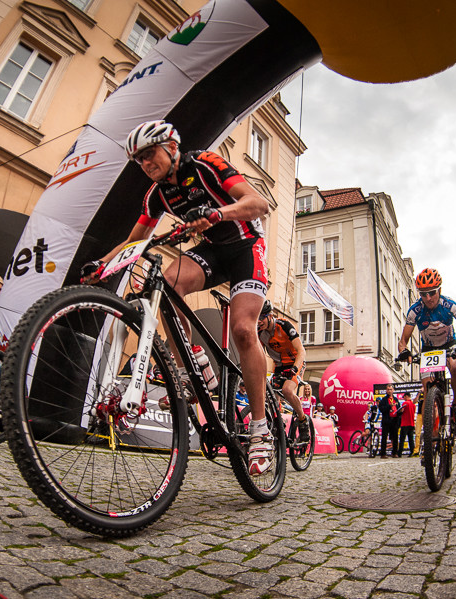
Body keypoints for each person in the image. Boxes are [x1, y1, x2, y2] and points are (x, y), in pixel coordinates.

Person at [80, 120, 272, 476]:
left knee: (244, 331)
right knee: (167, 283)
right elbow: (135, 240)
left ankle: (261, 431)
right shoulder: (157, 194)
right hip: (213, 252)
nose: (146, 164)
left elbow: (258, 203)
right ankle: (192, 366)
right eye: (139, 160)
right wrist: (102, 265)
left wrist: (218, 213)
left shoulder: (205, 164)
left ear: (170, 146)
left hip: (246, 246)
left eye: (149, 155)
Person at [397, 268, 456, 409]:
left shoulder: (449, 305)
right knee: (428, 390)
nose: (428, 298)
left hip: (449, 344)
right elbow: (403, 341)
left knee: (454, 365)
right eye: (423, 294)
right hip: (429, 349)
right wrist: (404, 352)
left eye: (432, 292)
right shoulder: (415, 310)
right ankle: (432, 421)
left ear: (439, 290)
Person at [256, 300, 310, 439]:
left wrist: (295, 368)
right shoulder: (260, 332)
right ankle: (278, 424)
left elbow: (301, 351)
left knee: (287, 390)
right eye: (257, 317)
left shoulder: (284, 325)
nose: (259, 321)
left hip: (295, 362)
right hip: (279, 366)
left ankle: (303, 420)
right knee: (271, 396)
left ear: (270, 315)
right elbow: (259, 355)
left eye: (262, 317)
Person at [377, 385, 400, 458]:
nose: (389, 391)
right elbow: (381, 409)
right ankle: (383, 453)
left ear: (393, 390)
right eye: (388, 389)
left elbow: (398, 408)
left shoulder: (396, 399)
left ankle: (394, 453)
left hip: (394, 420)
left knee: (395, 437)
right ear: (386, 391)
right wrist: (389, 406)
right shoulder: (384, 400)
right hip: (387, 420)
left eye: (391, 389)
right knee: (384, 437)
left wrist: (401, 411)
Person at [398, 392, 416, 457]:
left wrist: (399, 411)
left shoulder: (405, 403)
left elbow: (402, 411)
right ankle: (412, 452)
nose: (404, 398)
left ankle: (399, 453)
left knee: (402, 439)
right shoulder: (413, 404)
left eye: (404, 397)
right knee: (411, 439)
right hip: (411, 423)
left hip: (405, 423)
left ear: (406, 396)